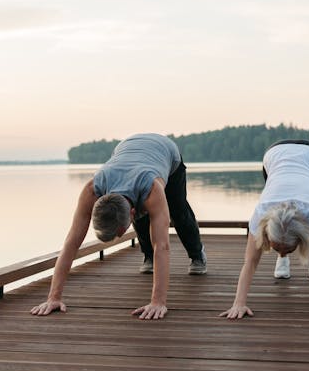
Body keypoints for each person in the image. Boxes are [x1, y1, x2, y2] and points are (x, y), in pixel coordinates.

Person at [30, 133, 206, 320]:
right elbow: (71, 243)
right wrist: (53, 297)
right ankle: (147, 257)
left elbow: (162, 246)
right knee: (139, 212)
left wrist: (158, 302)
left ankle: (197, 256)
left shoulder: (153, 189)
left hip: (167, 152)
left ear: (131, 213)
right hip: (126, 147)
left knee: (178, 212)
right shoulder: (92, 189)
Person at [220, 139, 309, 322]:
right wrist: (238, 303)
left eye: (287, 250)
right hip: (274, 155)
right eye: (275, 249)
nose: (280, 249)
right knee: (277, 229)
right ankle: (283, 261)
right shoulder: (261, 214)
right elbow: (250, 262)